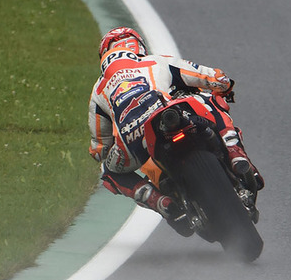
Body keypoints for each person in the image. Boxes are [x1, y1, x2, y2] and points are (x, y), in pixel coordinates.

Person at [87, 27, 263, 230]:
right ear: (138, 45)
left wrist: (106, 150)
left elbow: (100, 148)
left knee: (109, 172)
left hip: (133, 139)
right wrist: (225, 86)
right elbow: (213, 78)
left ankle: (158, 201)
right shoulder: (155, 61)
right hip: (166, 111)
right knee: (209, 100)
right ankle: (234, 152)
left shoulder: (99, 88)